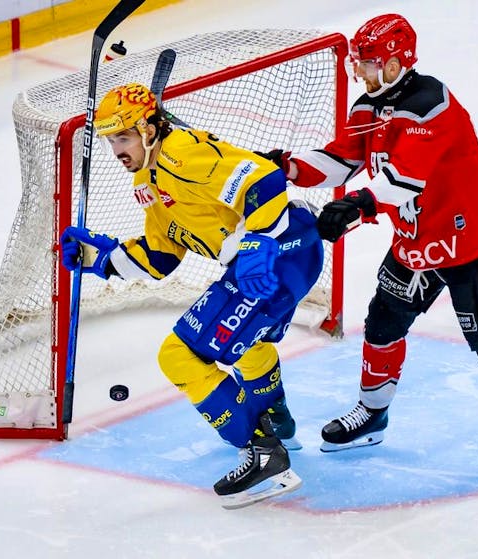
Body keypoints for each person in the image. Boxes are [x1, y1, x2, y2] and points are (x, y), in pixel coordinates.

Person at [260, 14, 478, 478]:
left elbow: (404, 179)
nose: (358, 72)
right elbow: (342, 158)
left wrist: (358, 205)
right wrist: (287, 167)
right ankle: (373, 414)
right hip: (419, 243)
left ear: (394, 64)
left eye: (367, 63)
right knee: (383, 323)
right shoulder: (369, 107)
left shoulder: (432, 105)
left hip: (471, 243)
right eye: (358, 62)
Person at [59, 83, 324, 508]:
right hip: (288, 255)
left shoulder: (180, 154)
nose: (117, 150)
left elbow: (265, 179)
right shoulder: (148, 179)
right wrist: (100, 259)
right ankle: (276, 421)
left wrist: (257, 242)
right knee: (247, 343)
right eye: (111, 140)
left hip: (278, 254)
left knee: (178, 355)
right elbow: (161, 257)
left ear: (148, 130)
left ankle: (265, 453)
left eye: (123, 137)